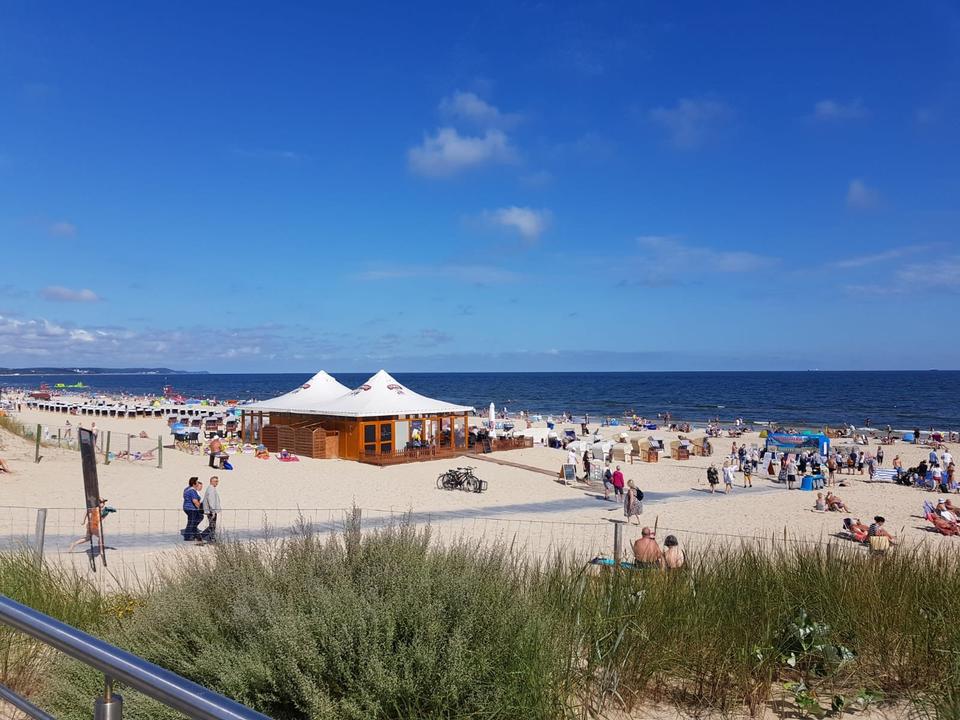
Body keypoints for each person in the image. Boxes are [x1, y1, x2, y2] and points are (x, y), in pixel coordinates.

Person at [182, 477, 204, 544]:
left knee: (198, 518)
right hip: (191, 508)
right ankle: (188, 536)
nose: (198, 483)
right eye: (197, 482)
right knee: (191, 522)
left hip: (186, 507)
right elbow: (195, 501)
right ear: (194, 484)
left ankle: (193, 531)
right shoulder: (192, 491)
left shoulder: (186, 489)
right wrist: (201, 509)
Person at [200, 476, 222, 542]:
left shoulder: (211, 488)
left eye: (217, 481)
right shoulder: (211, 489)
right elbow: (211, 501)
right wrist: (213, 511)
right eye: (215, 481)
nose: (217, 483)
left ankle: (207, 537)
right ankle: (208, 538)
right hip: (211, 511)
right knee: (212, 525)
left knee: (212, 525)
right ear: (211, 482)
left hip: (210, 511)